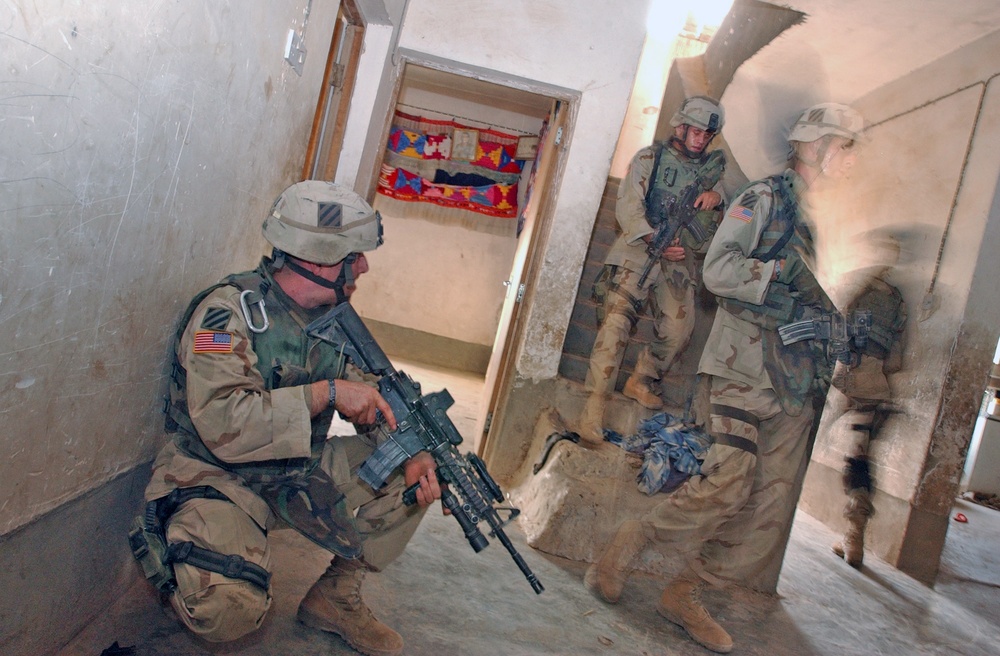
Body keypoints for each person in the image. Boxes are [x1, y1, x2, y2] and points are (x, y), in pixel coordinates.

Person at [585, 103, 866, 654]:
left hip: (795, 380)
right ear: (812, 146)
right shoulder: (765, 199)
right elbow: (718, 269)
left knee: (769, 510)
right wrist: (778, 275)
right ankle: (630, 541)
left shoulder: (817, 218)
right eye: (841, 144)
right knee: (727, 483)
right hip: (745, 364)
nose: (848, 157)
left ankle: (689, 592)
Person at [133, 181, 441, 656]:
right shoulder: (224, 316)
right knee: (228, 611)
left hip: (296, 468)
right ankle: (190, 560)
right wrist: (326, 393)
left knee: (413, 470)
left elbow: (376, 395)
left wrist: (416, 448)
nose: (364, 265)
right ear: (320, 259)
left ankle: (336, 597)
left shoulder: (334, 320)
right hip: (219, 477)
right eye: (355, 254)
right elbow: (224, 421)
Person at [578, 96, 727, 445]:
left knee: (679, 328)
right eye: (695, 132)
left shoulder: (711, 176)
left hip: (676, 263)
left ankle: (643, 377)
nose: (699, 140)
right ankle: (593, 412)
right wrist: (651, 236)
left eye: (707, 135)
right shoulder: (650, 158)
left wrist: (717, 198)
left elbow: (716, 218)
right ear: (680, 126)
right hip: (636, 252)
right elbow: (628, 206)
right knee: (614, 328)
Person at [827, 233, 907, 568]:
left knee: (803, 438)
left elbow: (834, 328)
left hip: (847, 379)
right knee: (859, 461)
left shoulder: (857, 287)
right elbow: (896, 362)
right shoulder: (897, 299)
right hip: (876, 388)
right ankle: (854, 538)